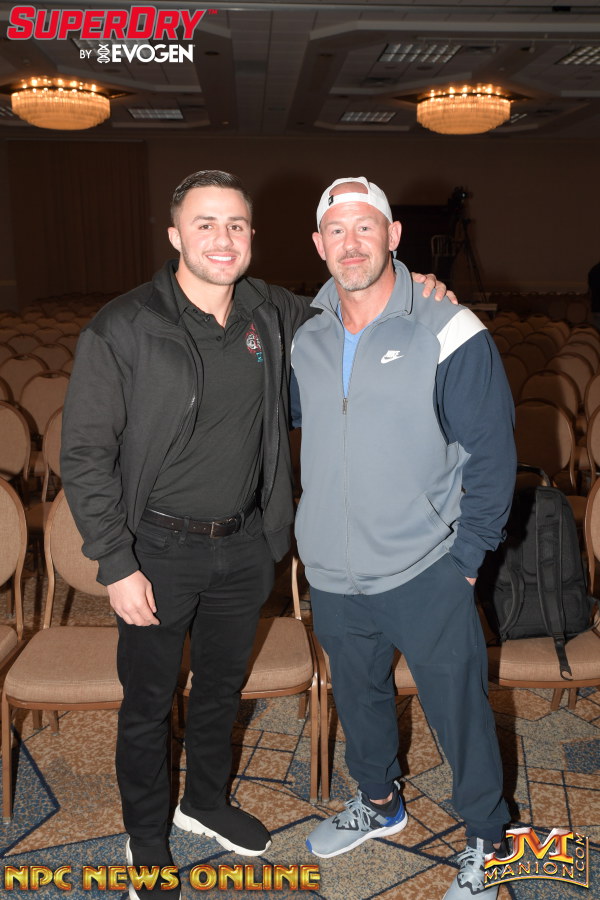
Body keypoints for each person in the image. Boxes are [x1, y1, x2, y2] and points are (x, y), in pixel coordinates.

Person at [60, 169, 449, 900]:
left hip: (243, 546)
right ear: (175, 235)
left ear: (251, 236)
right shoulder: (124, 325)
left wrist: (417, 286)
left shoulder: (270, 310)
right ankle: (147, 839)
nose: (223, 238)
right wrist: (115, 562)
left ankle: (204, 801)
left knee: (221, 688)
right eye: (205, 224)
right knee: (147, 703)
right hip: (154, 550)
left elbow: (352, 296)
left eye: (235, 225)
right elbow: (83, 455)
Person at [290, 178, 516, 899]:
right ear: (319, 245)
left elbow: (492, 454)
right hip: (333, 567)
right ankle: (380, 802)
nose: (351, 244)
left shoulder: (449, 328)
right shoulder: (306, 336)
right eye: (336, 231)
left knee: (459, 710)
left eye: (366, 228)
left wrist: (467, 560)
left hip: (427, 566)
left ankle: (488, 838)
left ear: (393, 236)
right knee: (359, 697)